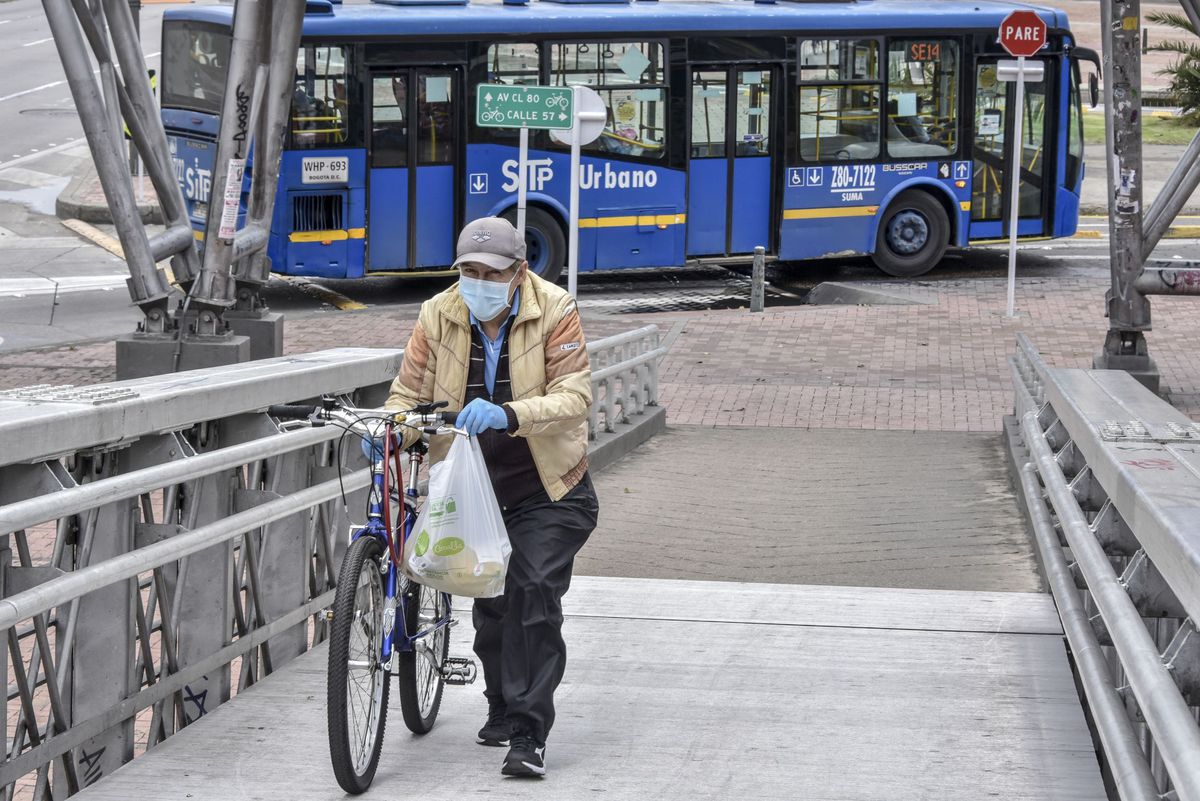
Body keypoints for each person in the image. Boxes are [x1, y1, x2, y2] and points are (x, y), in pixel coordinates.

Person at [384, 216, 599, 779]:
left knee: (531, 593)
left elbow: (575, 396)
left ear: (519, 271)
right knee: (492, 603)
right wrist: (392, 431)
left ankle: (529, 734)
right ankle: (502, 706)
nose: (478, 282)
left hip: (551, 488)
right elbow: (409, 392)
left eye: (491, 272)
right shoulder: (439, 313)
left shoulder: (555, 308)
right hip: (476, 490)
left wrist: (509, 413)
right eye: (468, 271)